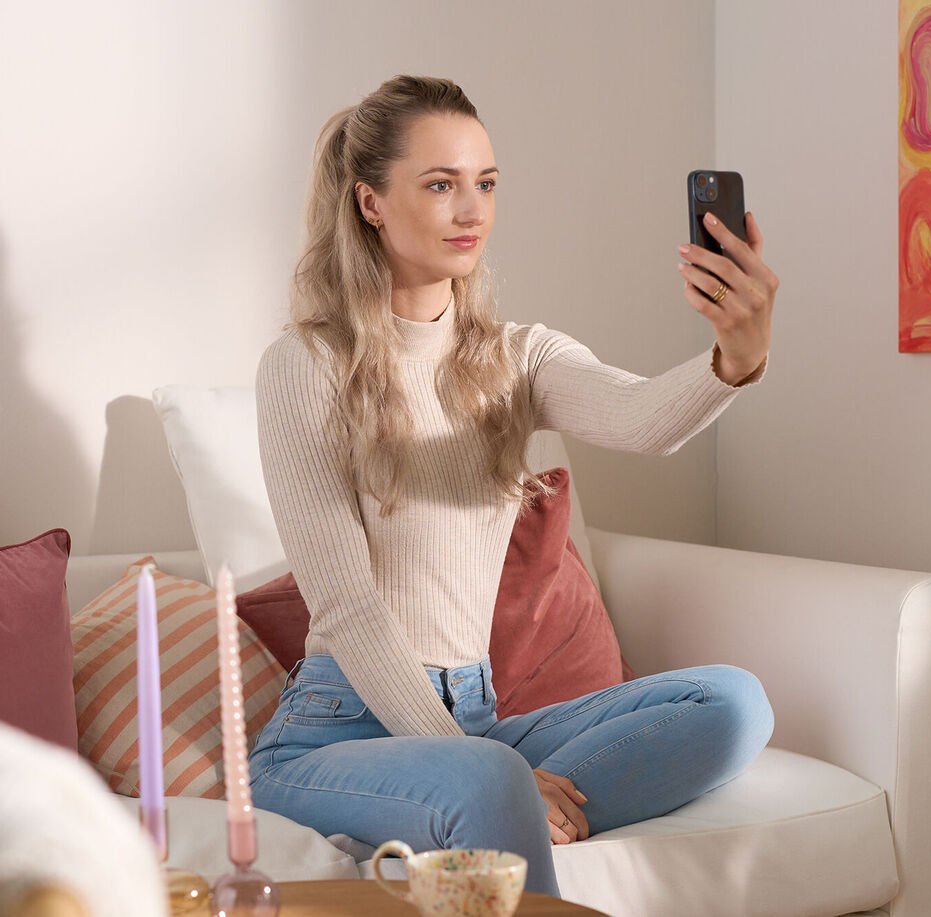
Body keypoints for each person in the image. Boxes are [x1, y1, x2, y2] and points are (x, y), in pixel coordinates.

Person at [248, 74, 778, 899]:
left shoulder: (516, 356)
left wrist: (736, 357)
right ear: (370, 202)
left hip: (476, 718)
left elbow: (644, 418)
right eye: (441, 185)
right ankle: (485, 804)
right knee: (489, 777)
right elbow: (347, 606)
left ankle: (488, 817)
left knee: (733, 703)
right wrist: (479, 763)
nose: (473, 210)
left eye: (486, 183)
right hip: (333, 736)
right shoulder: (304, 365)